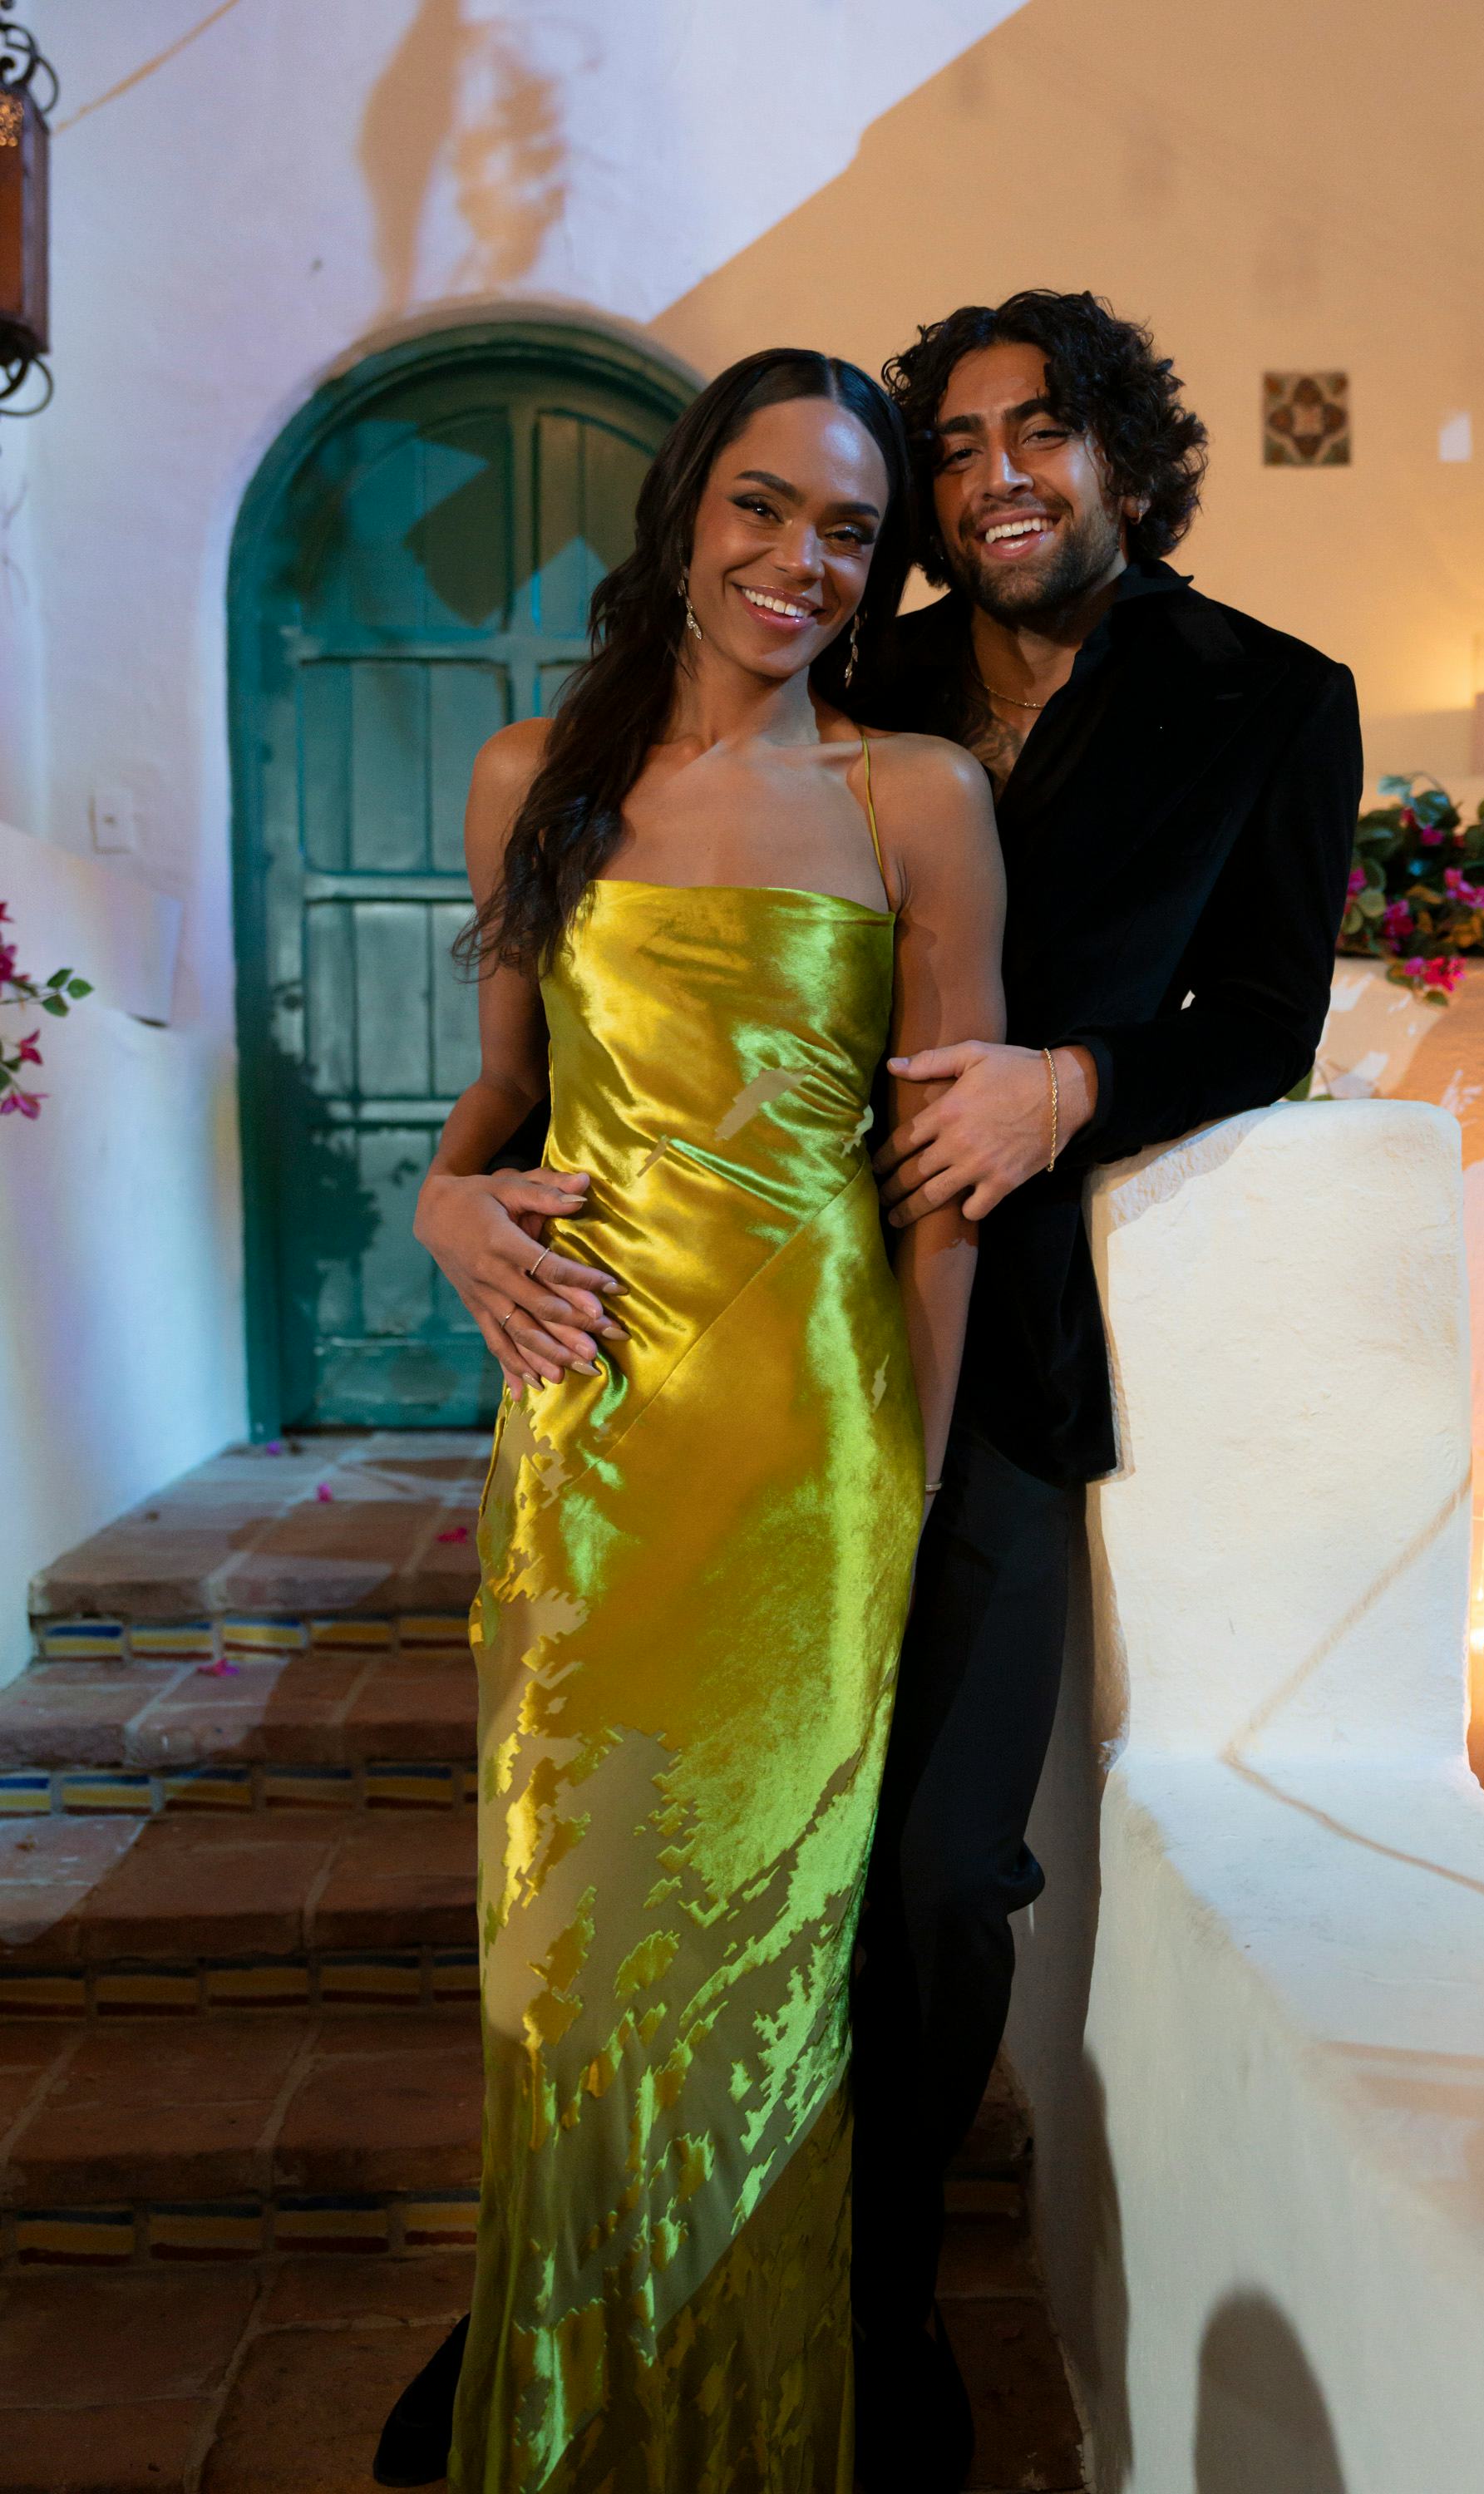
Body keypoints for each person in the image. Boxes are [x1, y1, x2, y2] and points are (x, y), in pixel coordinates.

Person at [370, 347, 1003, 2494]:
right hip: (590, 1442)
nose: (800, 562)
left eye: (847, 529)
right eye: (763, 506)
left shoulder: (919, 795)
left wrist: (897, 1505)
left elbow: (940, 1204)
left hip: (810, 1470)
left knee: (760, 2004)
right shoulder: (530, 773)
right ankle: (570, 2436)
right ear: (683, 510)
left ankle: (750, 2444)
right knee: (562, 1975)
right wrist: (444, 1198)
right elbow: (504, 1089)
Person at [845, 288, 1363, 2491]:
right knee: (696, 1835)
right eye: (952, 451)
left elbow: (1262, 1020)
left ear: (1126, 455)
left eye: (1035, 434)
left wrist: (1072, 1083)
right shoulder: (849, 673)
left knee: (950, 1863)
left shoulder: (1272, 700)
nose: (993, 481)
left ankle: (878, 2310)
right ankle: (604, 2263)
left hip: (1018, 1345)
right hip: (768, 1310)